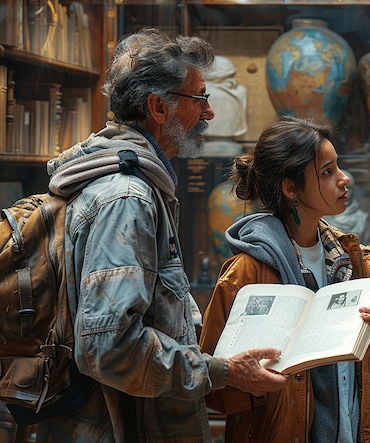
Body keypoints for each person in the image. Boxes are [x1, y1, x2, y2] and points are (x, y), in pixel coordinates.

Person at [36, 28, 286, 442]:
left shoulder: (137, 186)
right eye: (200, 99)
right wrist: (220, 372)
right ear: (157, 106)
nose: (208, 113)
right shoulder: (127, 198)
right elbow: (109, 347)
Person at [199, 115, 370, 443]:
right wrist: (250, 379)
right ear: (290, 188)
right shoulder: (247, 273)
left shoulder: (348, 258)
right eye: (327, 172)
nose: (344, 179)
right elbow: (213, 389)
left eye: (338, 166)